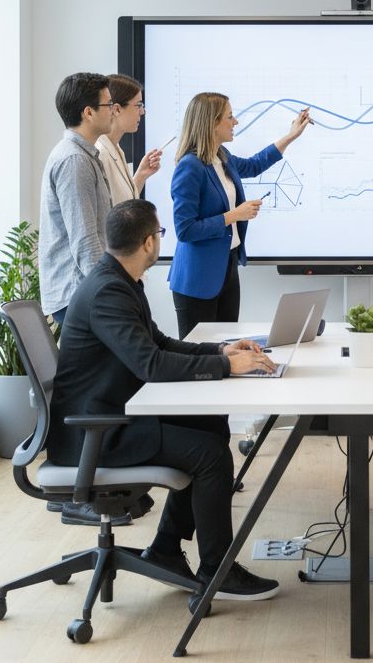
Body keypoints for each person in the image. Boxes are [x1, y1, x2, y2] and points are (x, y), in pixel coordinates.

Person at [47, 198, 282, 601]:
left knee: (209, 424)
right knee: (210, 455)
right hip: (95, 434)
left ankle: (167, 550)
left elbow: (158, 343)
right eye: (159, 233)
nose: (159, 240)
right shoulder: (108, 292)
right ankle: (217, 571)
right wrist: (229, 369)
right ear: (148, 244)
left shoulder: (120, 281)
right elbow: (151, 365)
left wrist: (221, 352)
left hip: (109, 416)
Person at [168, 92, 312, 339]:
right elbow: (185, 229)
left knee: (229, 349)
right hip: (198, 278)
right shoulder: (190, 167)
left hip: (227, 267)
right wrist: (233, 215)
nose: (235, 122)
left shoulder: (222, 157)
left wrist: (291, 136)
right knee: (201, 355)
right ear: (211, 123)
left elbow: (255, 165)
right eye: (230, 117)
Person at [39, 72, 115, 328]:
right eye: (108, 104)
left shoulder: (83, 155)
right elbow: (85, 240)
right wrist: (111, 292)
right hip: (78, 292)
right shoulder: (75, 161)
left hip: (84, 290)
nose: (114, 111)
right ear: (88, 112)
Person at [96, 73, 162, 204]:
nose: (142, 112)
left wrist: (142, 174)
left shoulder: (115, 148)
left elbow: (124, 202)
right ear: (117, 110)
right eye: (138, 105)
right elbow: (114, 213)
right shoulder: (101, 154)